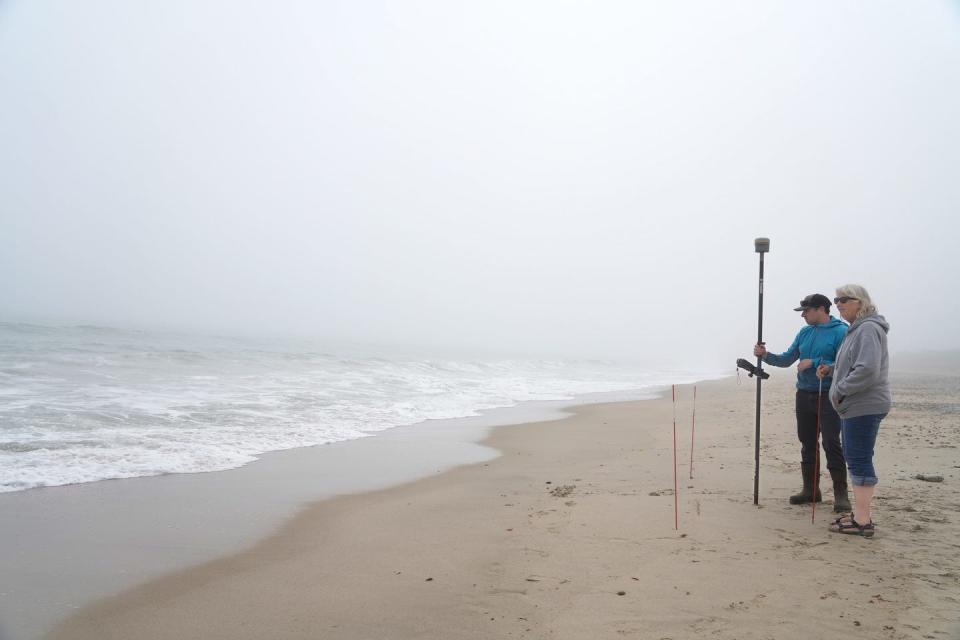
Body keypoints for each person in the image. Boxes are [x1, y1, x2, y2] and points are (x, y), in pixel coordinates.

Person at [753, 293, 850, 511]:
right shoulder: (804, 332)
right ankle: (810, 490)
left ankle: (841, 495)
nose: (803, 315)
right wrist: (766, 355)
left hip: (829, 396)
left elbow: (845, 364)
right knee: (807, 443)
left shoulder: (842, 332)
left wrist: (814, 362)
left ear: (821, 309)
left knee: (831, 443)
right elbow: (787, 359)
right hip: (803, 394)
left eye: (806, 311)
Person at [817, 285, 890, 538]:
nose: (838, 304)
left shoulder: (868, 328)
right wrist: (832, 370)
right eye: (836, 300)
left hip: (863, 405)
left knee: (858, 459)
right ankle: (860, 515)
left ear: (860, 302)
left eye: (844, 299)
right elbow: (853, 360)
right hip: (855, 405)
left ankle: (862, 521)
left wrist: (840, 390)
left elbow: (867, 368)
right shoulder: (858, 329)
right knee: (856, 456)